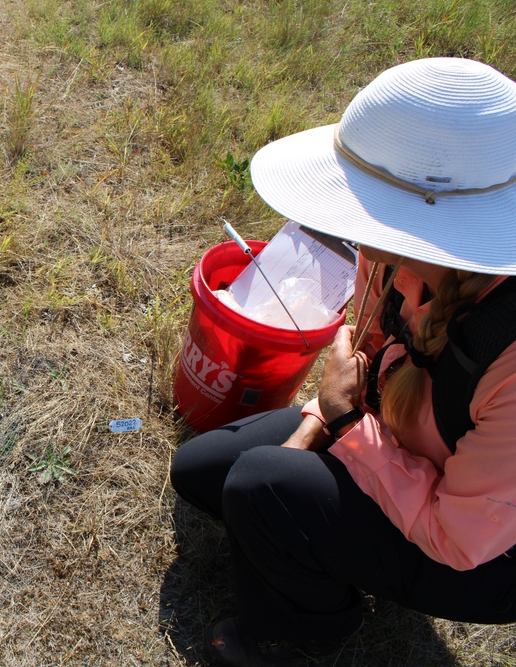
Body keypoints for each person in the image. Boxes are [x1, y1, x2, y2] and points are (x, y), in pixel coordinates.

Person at [170, 57, 516, 667]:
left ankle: (303, 635)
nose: (343, 219)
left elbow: (458, 538)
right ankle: (322, 551)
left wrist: (345, 428)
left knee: (257, 486)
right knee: (205, 472)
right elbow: (366, 368)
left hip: (476, 551)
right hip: (394, 443)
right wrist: (313, 428)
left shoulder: (506, 351)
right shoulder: (393, 255)